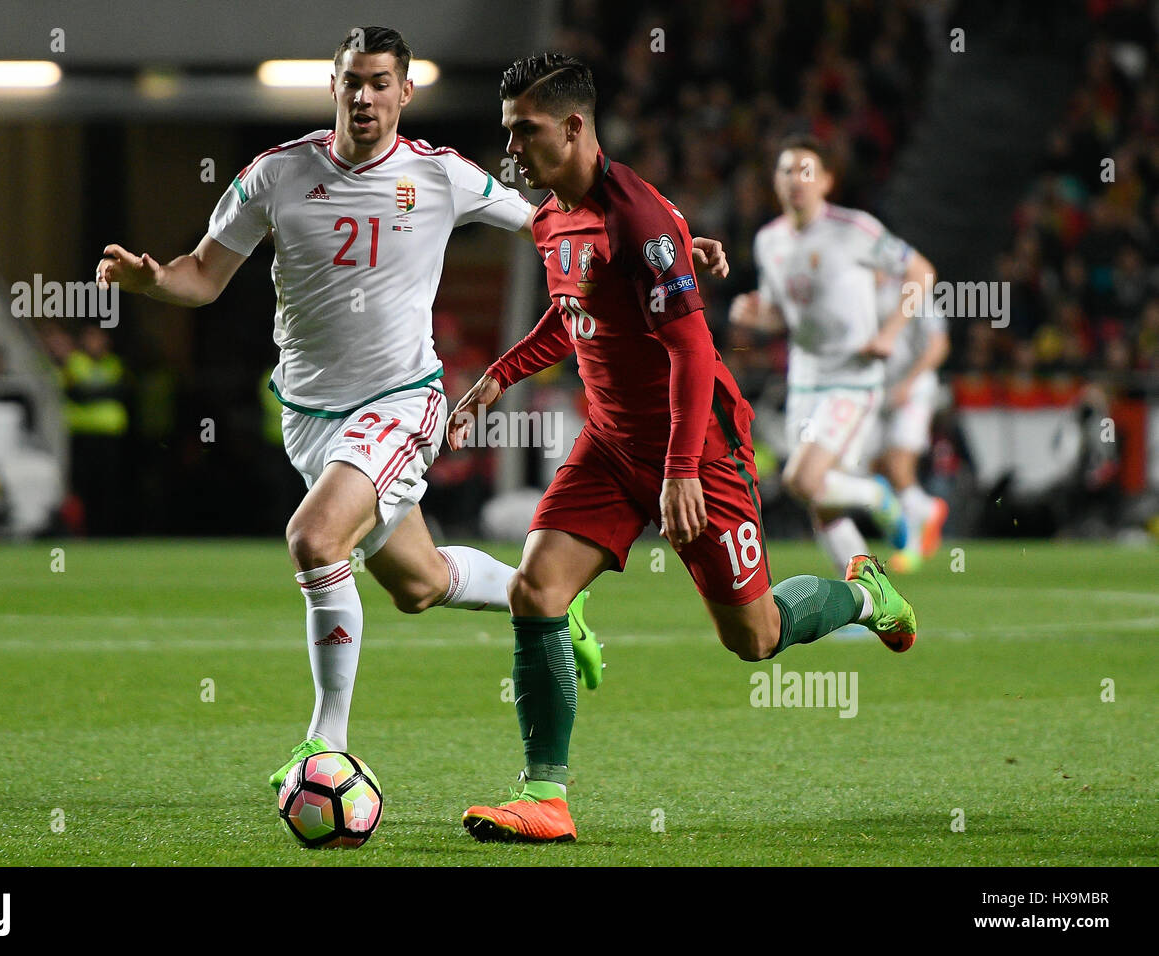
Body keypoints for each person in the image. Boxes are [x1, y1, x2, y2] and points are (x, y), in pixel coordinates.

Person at [96, 27, 728, 790]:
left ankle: (324, 746)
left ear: (405, 93)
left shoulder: (443, 177)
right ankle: (552, 605)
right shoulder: (274, 176)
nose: (363, 97)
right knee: (419, 584)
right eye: (350, 82)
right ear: (334, 87)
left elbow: (566, 223)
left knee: (315, 538)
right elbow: (202, 275)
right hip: (308, 414)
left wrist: (677, 245)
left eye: (378, 83)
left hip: (401, 402)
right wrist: (153, 281)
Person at [446, 55, 918, 844]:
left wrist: (678, 470)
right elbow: (574, 314)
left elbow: (693, 351)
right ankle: (545, 798)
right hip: (608, 444)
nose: (512, 150)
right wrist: (499, 378)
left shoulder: (635, 215)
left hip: (695, 450)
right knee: (536, 592)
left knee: (755, 637)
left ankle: (867, 594)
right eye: (507, 133)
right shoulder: (549, 219)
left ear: (572, 126)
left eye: (524, 132)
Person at [729, 136, 937, 574]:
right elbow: (782, 315)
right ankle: (867, 597)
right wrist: (756, 315)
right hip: (804, 381)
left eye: (806, 170)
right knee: (819, 499)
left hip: (852, 379)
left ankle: (878, 496)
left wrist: (890, 333)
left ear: (826, 181)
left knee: (802, 480)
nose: (795, 180)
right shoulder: (769, 241)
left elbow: (921, 271)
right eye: (786, 171)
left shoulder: (854, 229)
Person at [867, 271, 950, 571]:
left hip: (914, 388)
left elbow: (939, 345)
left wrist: (909, 382)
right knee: (873, 468)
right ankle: (926, 509)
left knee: (900, 464)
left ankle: (911, 547)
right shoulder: (861, 291)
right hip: (881, 391)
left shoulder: (914, 292)